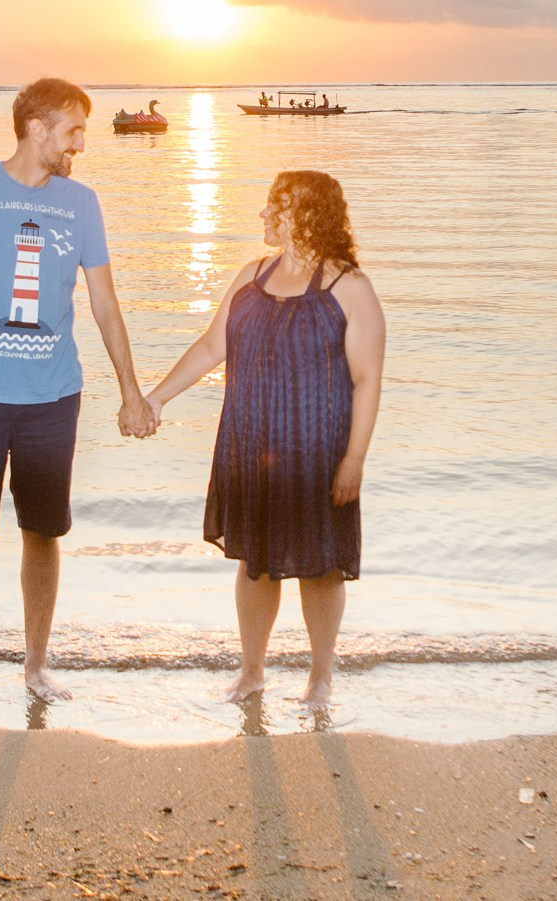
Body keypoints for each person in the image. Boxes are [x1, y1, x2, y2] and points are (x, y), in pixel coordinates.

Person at [0, 77, 154, 710]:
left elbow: (103, 299)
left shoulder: (81, 203)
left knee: (44, 532)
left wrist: (131, 392)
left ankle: (36, 668)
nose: (80, 144)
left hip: (52, 396)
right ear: (36, 129)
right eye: (73, 131)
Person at [144, 171, 384, 709]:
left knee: (320, 566)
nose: (262, 217)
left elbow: (368, 378)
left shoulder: (349, 287)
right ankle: (251, 672)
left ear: (307, 214)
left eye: (274, 207)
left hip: (316, 451)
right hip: (249, 445)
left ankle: (320, 679)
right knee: (254, 563)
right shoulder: (251, 275)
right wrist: (156, 398)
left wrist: (355, 459)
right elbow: (211, 347)